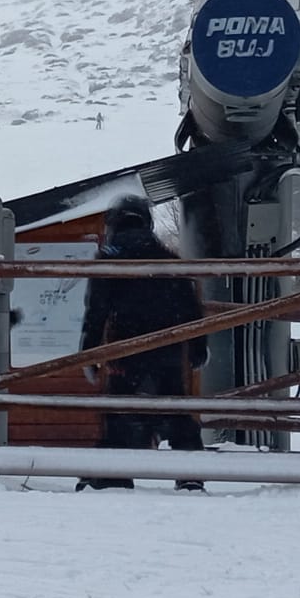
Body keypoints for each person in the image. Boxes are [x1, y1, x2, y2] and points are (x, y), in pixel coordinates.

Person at [75, 196, 205, 490]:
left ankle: (113, 474)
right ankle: (191, 472)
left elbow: (96, 311)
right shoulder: (167, 257)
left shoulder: (109, 259)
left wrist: (90, 353)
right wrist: (198, 346)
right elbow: (191, 307)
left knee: (121, 408)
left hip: (126, 346)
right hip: (168, 345)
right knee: (175, 407)